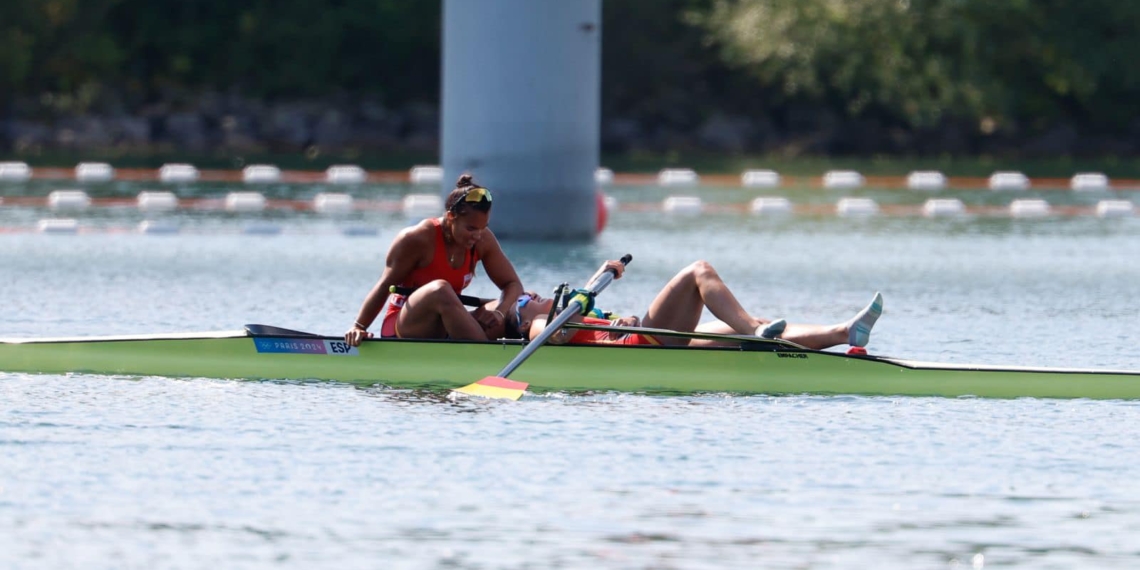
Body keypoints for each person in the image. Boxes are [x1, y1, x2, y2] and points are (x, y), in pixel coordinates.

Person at [511, 259, 882, 350]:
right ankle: (753, 329)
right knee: (698, 271)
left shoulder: (567, 311)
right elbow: (556, 339)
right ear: (521, 317)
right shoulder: (535, 330)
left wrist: (613, 314)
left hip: (644, 337)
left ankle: (844, 332)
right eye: (525, 301)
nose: (533, 295)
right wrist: (578, 303)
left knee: (752, 326)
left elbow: (600, 326)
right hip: (640, 347)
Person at [344, 174, 523, 345]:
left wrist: (500, 312)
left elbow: (512, 284)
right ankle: (486, 359)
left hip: (445, 324)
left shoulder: (483, 239)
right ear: (451, 216)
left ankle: (538, 347)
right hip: (404, 325)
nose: (477, 235)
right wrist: (359, 326)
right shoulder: (417, 238)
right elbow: (384, 285)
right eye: (471, 229)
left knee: (521, 304)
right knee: (440, 289)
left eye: (483, 228)